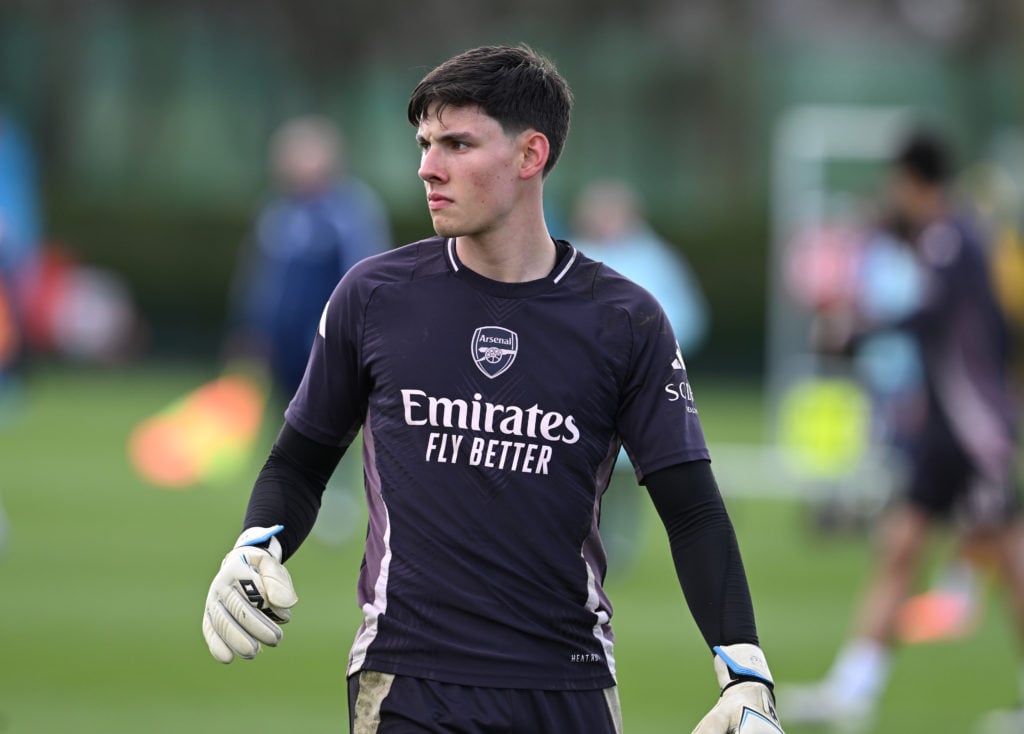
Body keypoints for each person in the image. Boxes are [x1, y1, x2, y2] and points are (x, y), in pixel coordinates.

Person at [201, 45, 782, 734]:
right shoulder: (374, 297)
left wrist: (745, 672)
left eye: (457, 143)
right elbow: (298, 463)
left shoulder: (625, 321)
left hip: (568, 685)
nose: (427, 166)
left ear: (531, 155)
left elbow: (692, 511)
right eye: (424, 144)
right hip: (409, 682)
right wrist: (255, 544)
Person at [782, 129, 1024, 731]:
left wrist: (855, 332)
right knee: (901, 548)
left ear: (914, 181)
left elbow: (930, 315)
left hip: (974, 431)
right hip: (945, 428)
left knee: (1012, 561)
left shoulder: (954, 237)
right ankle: (852, 690)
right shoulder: (942, 236)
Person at [226, 114, 391, 401]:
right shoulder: (277, 211)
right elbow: (262, 279)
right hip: (281, 342)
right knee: (284, 422)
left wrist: (357, 334)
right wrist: (251, 330)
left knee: (326, 421)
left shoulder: (351, 210)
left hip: (328, 339)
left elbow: (368, 273)